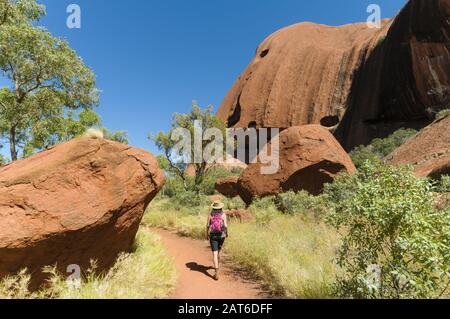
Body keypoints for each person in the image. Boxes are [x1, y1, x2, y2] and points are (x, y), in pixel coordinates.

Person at [206, 200, 228, 281]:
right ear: (221, 207)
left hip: (213, 236)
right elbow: (225, 226)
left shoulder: (211, 214)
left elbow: (208, 225)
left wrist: (206, 234)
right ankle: (218, 265)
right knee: (219, 251)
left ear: (214, 207)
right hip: (222, 236)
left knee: (214, 253)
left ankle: (216, 271)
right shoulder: (223, 214)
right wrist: (227, 233)